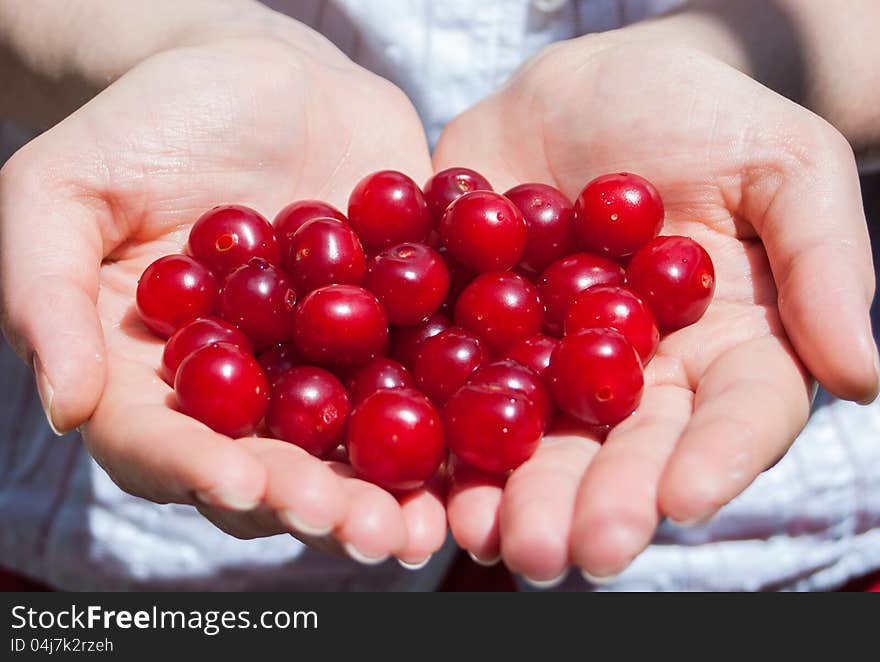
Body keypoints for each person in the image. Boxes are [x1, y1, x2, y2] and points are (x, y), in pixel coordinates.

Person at [0, 0, 877, 591]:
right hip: (131, 567)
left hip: (766, 559)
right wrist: (165, 43)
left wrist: (762, 63)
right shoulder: (289, 290)